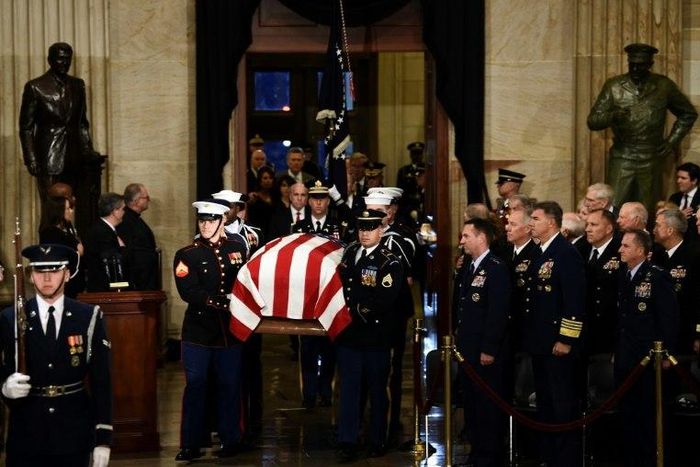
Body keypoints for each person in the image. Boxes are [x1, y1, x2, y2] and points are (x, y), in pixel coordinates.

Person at [0, 244, 112, 466]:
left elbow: (102, 380)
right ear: (31, 276)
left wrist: (103, 439)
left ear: (67, 274)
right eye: (40, 271)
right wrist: (4, 386)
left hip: (73, 432)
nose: (47, 278)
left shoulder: (88, 316)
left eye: (55, 270)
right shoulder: (9, 318)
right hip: (27, 431)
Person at [173, 199, 247, 461]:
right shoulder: (187, 254)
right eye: (202, 221)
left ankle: (231, 438)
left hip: (230, 331)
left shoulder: (236, 248)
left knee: (229, 385)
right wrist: (220, 300)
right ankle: (191, 443)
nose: (205, 225)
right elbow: (188, 291)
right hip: (199, 332)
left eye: (211, 220)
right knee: (196, 385)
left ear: (222, 221)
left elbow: (246, 282)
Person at [587, 43, 698, 211]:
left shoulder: (663, 85)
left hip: (651, 157)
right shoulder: (614, 86)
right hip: (623, 155)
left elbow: (688, 113)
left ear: (649, 65)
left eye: (641, 65)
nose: (636, 69)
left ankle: (644, 237)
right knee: (613, 207)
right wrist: (613, 115)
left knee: (647, 209)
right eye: (632, 65)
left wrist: (671, 143)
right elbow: (593, 121)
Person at [335, 209, 403, 462]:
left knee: (377, 390)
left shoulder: (389, 261)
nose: (364, 233)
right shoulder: (351, 253)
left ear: (381, 230)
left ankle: (377, 439)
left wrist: (353, 310)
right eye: (361, 228)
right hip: (350, 336)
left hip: (375, 335)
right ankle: (348, 440)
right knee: (349, 390)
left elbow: (384, 299)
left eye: (371, 228)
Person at [524, 201, 586, 467]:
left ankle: (565, 458)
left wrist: (566, 339)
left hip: (558, 344)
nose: (531, 223)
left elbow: (574, 301)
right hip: (541, 342)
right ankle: (549, 455)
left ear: (551, 222)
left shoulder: (565, 253)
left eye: (535, 219)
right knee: (546, 404)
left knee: (562, 405)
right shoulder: (541, 252)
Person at [616, 229, 679, 467]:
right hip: (626, 355)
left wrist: (665, 353)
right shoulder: (624, 275)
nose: (620, 250)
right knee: (628, 412)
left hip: (648, 357)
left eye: (626, 246)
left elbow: (668, 318)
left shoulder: (657, 277)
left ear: (641, 251)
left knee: (647, 413)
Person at [455, 218, 511, 467]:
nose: (462, 241)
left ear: (481, 238)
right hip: (468, 349)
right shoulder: (469, 266)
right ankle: (476, 452)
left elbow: (497, 312)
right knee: (473, 404)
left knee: (488, 405)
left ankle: (489, 456)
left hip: (485, 352)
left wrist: (489, 348)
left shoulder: (496, 267)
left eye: (466, 236)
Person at [18, 42, 101, 205]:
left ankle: (70, 231)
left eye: (68, 59)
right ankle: (53, 231)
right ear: (50, 60)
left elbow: (82, 122)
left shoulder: (78, 85)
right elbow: (25, 127)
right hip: (48, 157)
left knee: (74, 204)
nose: (64, 63)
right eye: (60, 59)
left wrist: (87, 149)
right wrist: (31, 158)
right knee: (51, 206)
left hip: (74, 156)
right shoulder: (36, 87)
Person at [651, 208, 700, 354]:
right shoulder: (657, 255)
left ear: (670, 230)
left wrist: (698, 334)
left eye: (658, 225)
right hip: (658, 333)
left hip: (684, 332)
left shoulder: (694, 255)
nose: (653, 230)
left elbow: (698, 298)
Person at [583, 209, 622, 355]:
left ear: (609, 228)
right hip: (586, 327)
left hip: (611, 327)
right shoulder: (580, 249)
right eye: (587, 224)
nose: (588, 229)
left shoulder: (620, 249)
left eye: (593, 224)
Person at [39, 195, 86, 297]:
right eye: (68, 208)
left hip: (73, 282)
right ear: (58, 211)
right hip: (62, 284)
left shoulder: (66, 230)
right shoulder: (51, 233)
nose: (71, 211)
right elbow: (79, 250)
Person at [116, 183, 158, 290]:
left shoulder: (133, 219)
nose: (149, 200)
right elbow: (130, 252)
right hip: (138, 283)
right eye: (146, 197)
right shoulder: (125, 220)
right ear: (136, 201)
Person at [83, 193, 127, 292]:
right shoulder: (102, 232)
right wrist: (122, 248)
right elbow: (112, 262)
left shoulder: (104, 229)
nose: (124, 212)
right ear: (115, 211)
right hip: (104, 290)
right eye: (123, 209)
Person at [669, 162, 700, 243]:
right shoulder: (674, 198)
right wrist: (679, 217)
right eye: (678, 177)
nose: (678, 181)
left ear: (694, 181)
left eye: (683, 178)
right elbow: (666, 220)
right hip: (674, 242)